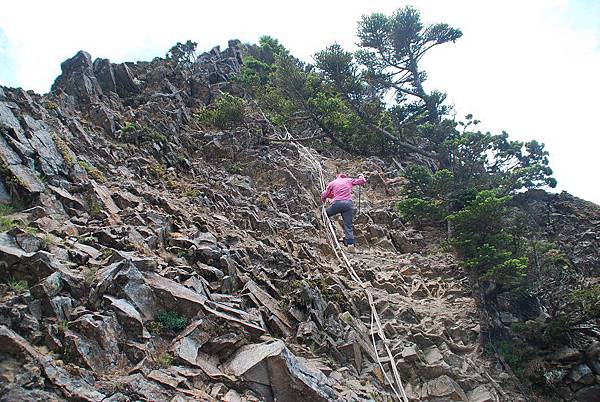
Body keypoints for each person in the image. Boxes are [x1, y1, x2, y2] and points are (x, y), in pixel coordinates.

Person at [320, 173, 367, 252]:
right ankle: (350, 245)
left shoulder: (333, 183)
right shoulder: (349, 180)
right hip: (348, 204)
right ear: (345, 177)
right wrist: (361, 176)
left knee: (324, 214)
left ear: (337, 177)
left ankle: (325, 229)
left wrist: (323, 200)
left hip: (337, 203)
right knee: (348, 225)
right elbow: (362, 181)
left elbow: (325, 194)